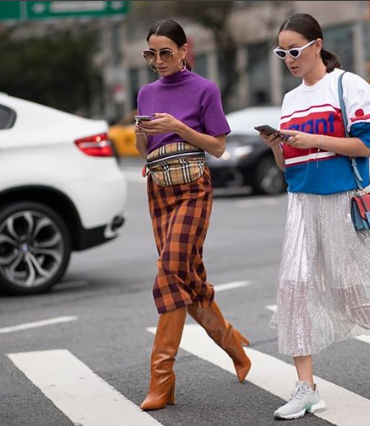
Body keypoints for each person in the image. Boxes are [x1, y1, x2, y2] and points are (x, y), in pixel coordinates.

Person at [258, 13, 370, 420]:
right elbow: (290, 163)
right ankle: (306, 387)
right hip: (301, 201)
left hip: (342, 201)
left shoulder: (348, 85)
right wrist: (278, 145)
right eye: (281, 52)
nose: (288, 59)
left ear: (316, 45)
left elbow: (365, 146)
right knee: (294, 287)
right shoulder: (290, 100)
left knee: (352, 294)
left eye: (295, 50)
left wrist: (315, 138)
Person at [134, 19, 251, 411]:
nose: (158, 60)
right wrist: (141, 134)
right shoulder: (146, 92)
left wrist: (177, 127)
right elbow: (143, 151)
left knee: (169, 271)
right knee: (187, 277)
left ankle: (161, 380)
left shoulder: (205, 89)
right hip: (158, 189)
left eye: (166, 52)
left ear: (185, 51)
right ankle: (234, 345)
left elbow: (217, 148)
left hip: (192, 190)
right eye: (152, 53)